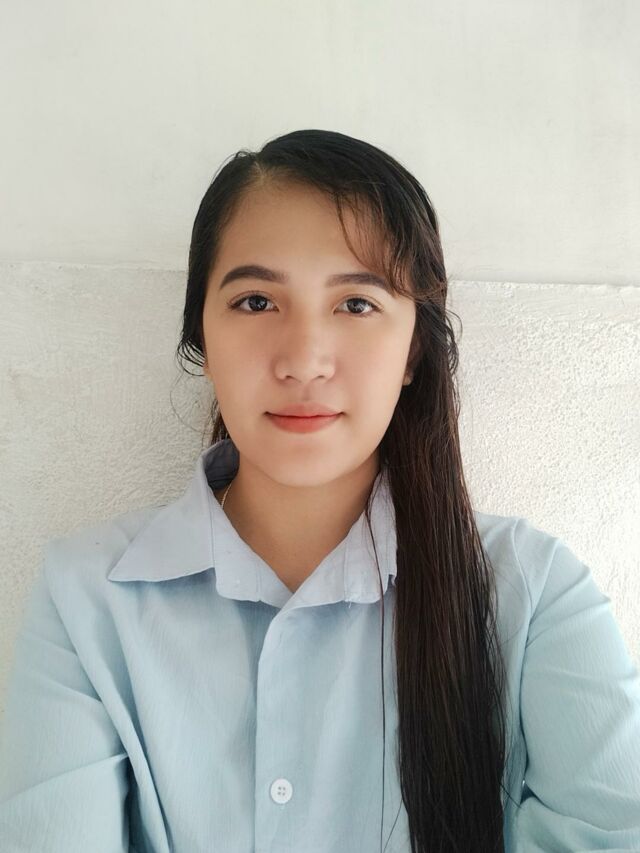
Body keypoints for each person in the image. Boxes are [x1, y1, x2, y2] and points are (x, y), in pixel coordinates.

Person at [1, 129, 639, 853]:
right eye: (255, 301)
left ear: (414, 350)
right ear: (201, 339)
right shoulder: (86, 598)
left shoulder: (536, 591)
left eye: (357, 304)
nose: (304, 361)